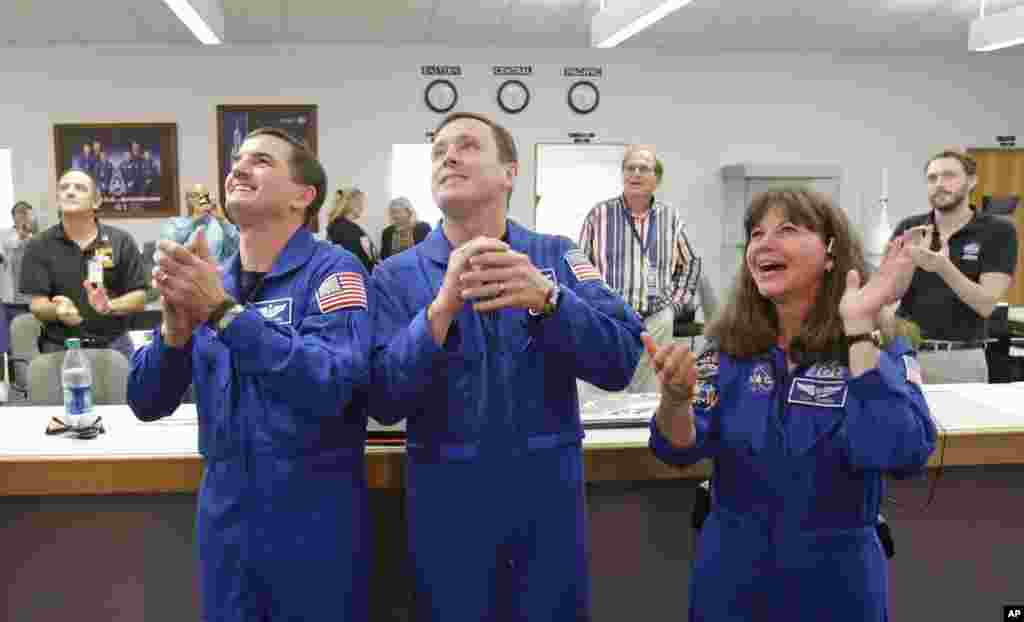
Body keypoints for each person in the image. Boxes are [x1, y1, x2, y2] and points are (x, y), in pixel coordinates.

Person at [370, 111, 643, 620]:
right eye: (439, 151)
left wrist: (551, 302)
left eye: (467, 146)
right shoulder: (394, 277)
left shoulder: (557, 257)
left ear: (509, 173)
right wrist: (439, 312)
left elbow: (621, 361)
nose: (448, 157)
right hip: (448, 507)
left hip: (545, 507)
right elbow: (384, 398)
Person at [648, 188, 937, 622]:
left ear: (830, 252)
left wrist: (858, 329)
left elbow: (903, 452)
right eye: (756, 233)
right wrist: (674, 401)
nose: (764, 243)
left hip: (837, 576)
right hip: (733, 573)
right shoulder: (726, 348)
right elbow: (679, 448)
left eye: (786, 229)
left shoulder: (879, 343)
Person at [127, 127, 372, 622]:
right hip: (225, 517)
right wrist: (173, 333)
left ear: (303, 196)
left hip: (310, 517)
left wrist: (223, 313)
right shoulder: (210, 277)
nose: (238, 167)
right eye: (237, 159)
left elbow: (331, 381)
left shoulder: (334, 272)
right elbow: (147, 401)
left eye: (261, 161)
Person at [579, 144, 701, 393]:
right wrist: (593, 306)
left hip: (656, 320)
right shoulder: (599, 215)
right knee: (605, 394)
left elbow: (690, 263)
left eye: (643, 168)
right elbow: (579, 267)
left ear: (656, 178)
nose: (635, 174)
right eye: (630, 168)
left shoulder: (670, 218)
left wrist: (675, 306)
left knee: (650, 396)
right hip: (609, 320)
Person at [890, 149, 1018, 383]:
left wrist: (943, 267)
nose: (939, 184)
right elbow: (889, 294)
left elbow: (986, 305)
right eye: (932, 178)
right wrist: (908, 263)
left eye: (949, 176)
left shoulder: (998, 231)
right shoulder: (910, 228)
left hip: (960, 358)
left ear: (972, 181)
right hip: (905, 354)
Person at [20, 169, 147, 361]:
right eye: (64, 188)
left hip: (114, 347)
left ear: (96, 202)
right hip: (60, 349)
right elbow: (37, 305)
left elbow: (139, 297)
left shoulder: (120, 241)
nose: (70, 192)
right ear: (58, 200)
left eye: (79, 188)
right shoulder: (39, 245)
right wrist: (58, 311)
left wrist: (109, 306)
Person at [159, 183, 239, 266]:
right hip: (182, 272)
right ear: (187, 200)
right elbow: (166, 253)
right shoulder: (173, 223)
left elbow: (238, 250)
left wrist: (222, 220)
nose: (201, 200)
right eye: (196, 196)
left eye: (205, 196)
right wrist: (194, 221)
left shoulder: (219, 225)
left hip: (214, 272)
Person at [326, 187, 377, 272]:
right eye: (360, 203)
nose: (362, 207)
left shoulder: (339, 225)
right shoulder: (346, 229)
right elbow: (353, 260)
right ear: (351, 204)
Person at [1, 201, 37, 317]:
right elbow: (6, 251)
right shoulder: (3, 234)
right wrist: (21, 236)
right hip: (10, 297)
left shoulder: (36, 238)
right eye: (20, 212)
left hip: (31, 297)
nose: (23, 215)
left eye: (26, 212)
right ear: (13, 216)